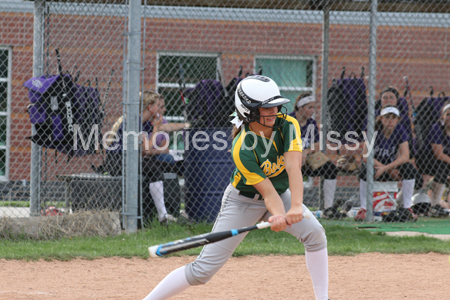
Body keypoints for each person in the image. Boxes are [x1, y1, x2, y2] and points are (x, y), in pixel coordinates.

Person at [143, 75, 329, 300]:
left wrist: (296, 205)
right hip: (243, 202)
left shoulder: (288, 125)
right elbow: (267, 192)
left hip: (282, 194)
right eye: (266, 108)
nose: (274, 111)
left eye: (276, 105)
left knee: (316, 234)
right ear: (248, 110)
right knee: (202, 272)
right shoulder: (242, 146)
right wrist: (279, 215)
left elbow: (293, 169)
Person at [105, 91, 178, 224]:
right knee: (154, 170)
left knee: (169, 165)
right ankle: (163, 217)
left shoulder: (145, 123)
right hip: (117, 161)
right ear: (150, 107)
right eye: (158, 105)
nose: (162, 109)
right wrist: (156, 128)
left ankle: (169, 210)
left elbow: (145, 152)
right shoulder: (135, 121)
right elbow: (147, 150)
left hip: (131, 160)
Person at [356, 105, 419, 221]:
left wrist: (386, 169)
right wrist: (384, 168)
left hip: (391, 169)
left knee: (409, 169)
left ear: (398, 120)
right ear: (381, 118)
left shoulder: (400, 131)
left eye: (393, 118)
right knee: (364, 170)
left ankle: (407, 208)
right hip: (375, 168)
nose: (390, 120)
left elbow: (406, 156)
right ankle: (363, 209)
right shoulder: (373, 131)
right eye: (387, 117)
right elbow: (366, 156)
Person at [292, 92, 342, 218]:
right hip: (290, 160)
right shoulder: (289, 121)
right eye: (309, 107)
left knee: (330, 168)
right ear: (300, 107)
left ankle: (328, 208)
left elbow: (316, 144)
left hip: (306, 160)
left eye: (313, 107)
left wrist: (306, 152)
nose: (312, 111)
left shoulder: (311, 123)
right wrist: (297, 154)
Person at [415, 102, 450, 217]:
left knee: (444, 167)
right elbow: (438, 154)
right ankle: (435, 206)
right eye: (448, 114)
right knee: (443, 168)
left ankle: (437, 204)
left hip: (444, 161)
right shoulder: (437, 127)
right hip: (426, 159)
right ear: (443, 116)